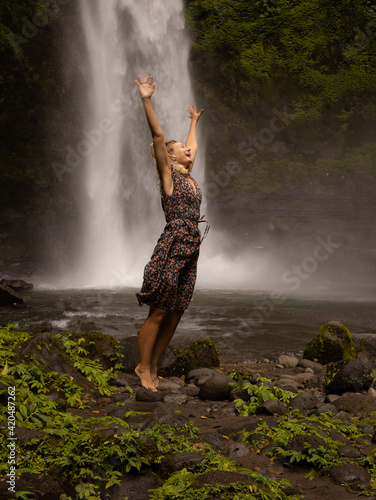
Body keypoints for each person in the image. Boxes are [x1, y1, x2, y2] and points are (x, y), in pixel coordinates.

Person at [134, 74, 207, 392]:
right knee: (160, 309)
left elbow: (192, 147)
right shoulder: (169, 177)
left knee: (177, 311)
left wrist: (193, 122)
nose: (188, 151)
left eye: (185, 149)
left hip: (192, 246)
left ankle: (154, 364)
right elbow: (158, 133)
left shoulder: (188, 177)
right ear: (169, 157)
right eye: (180, 150)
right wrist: (146, 99)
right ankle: (142, 367)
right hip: (174, 243)